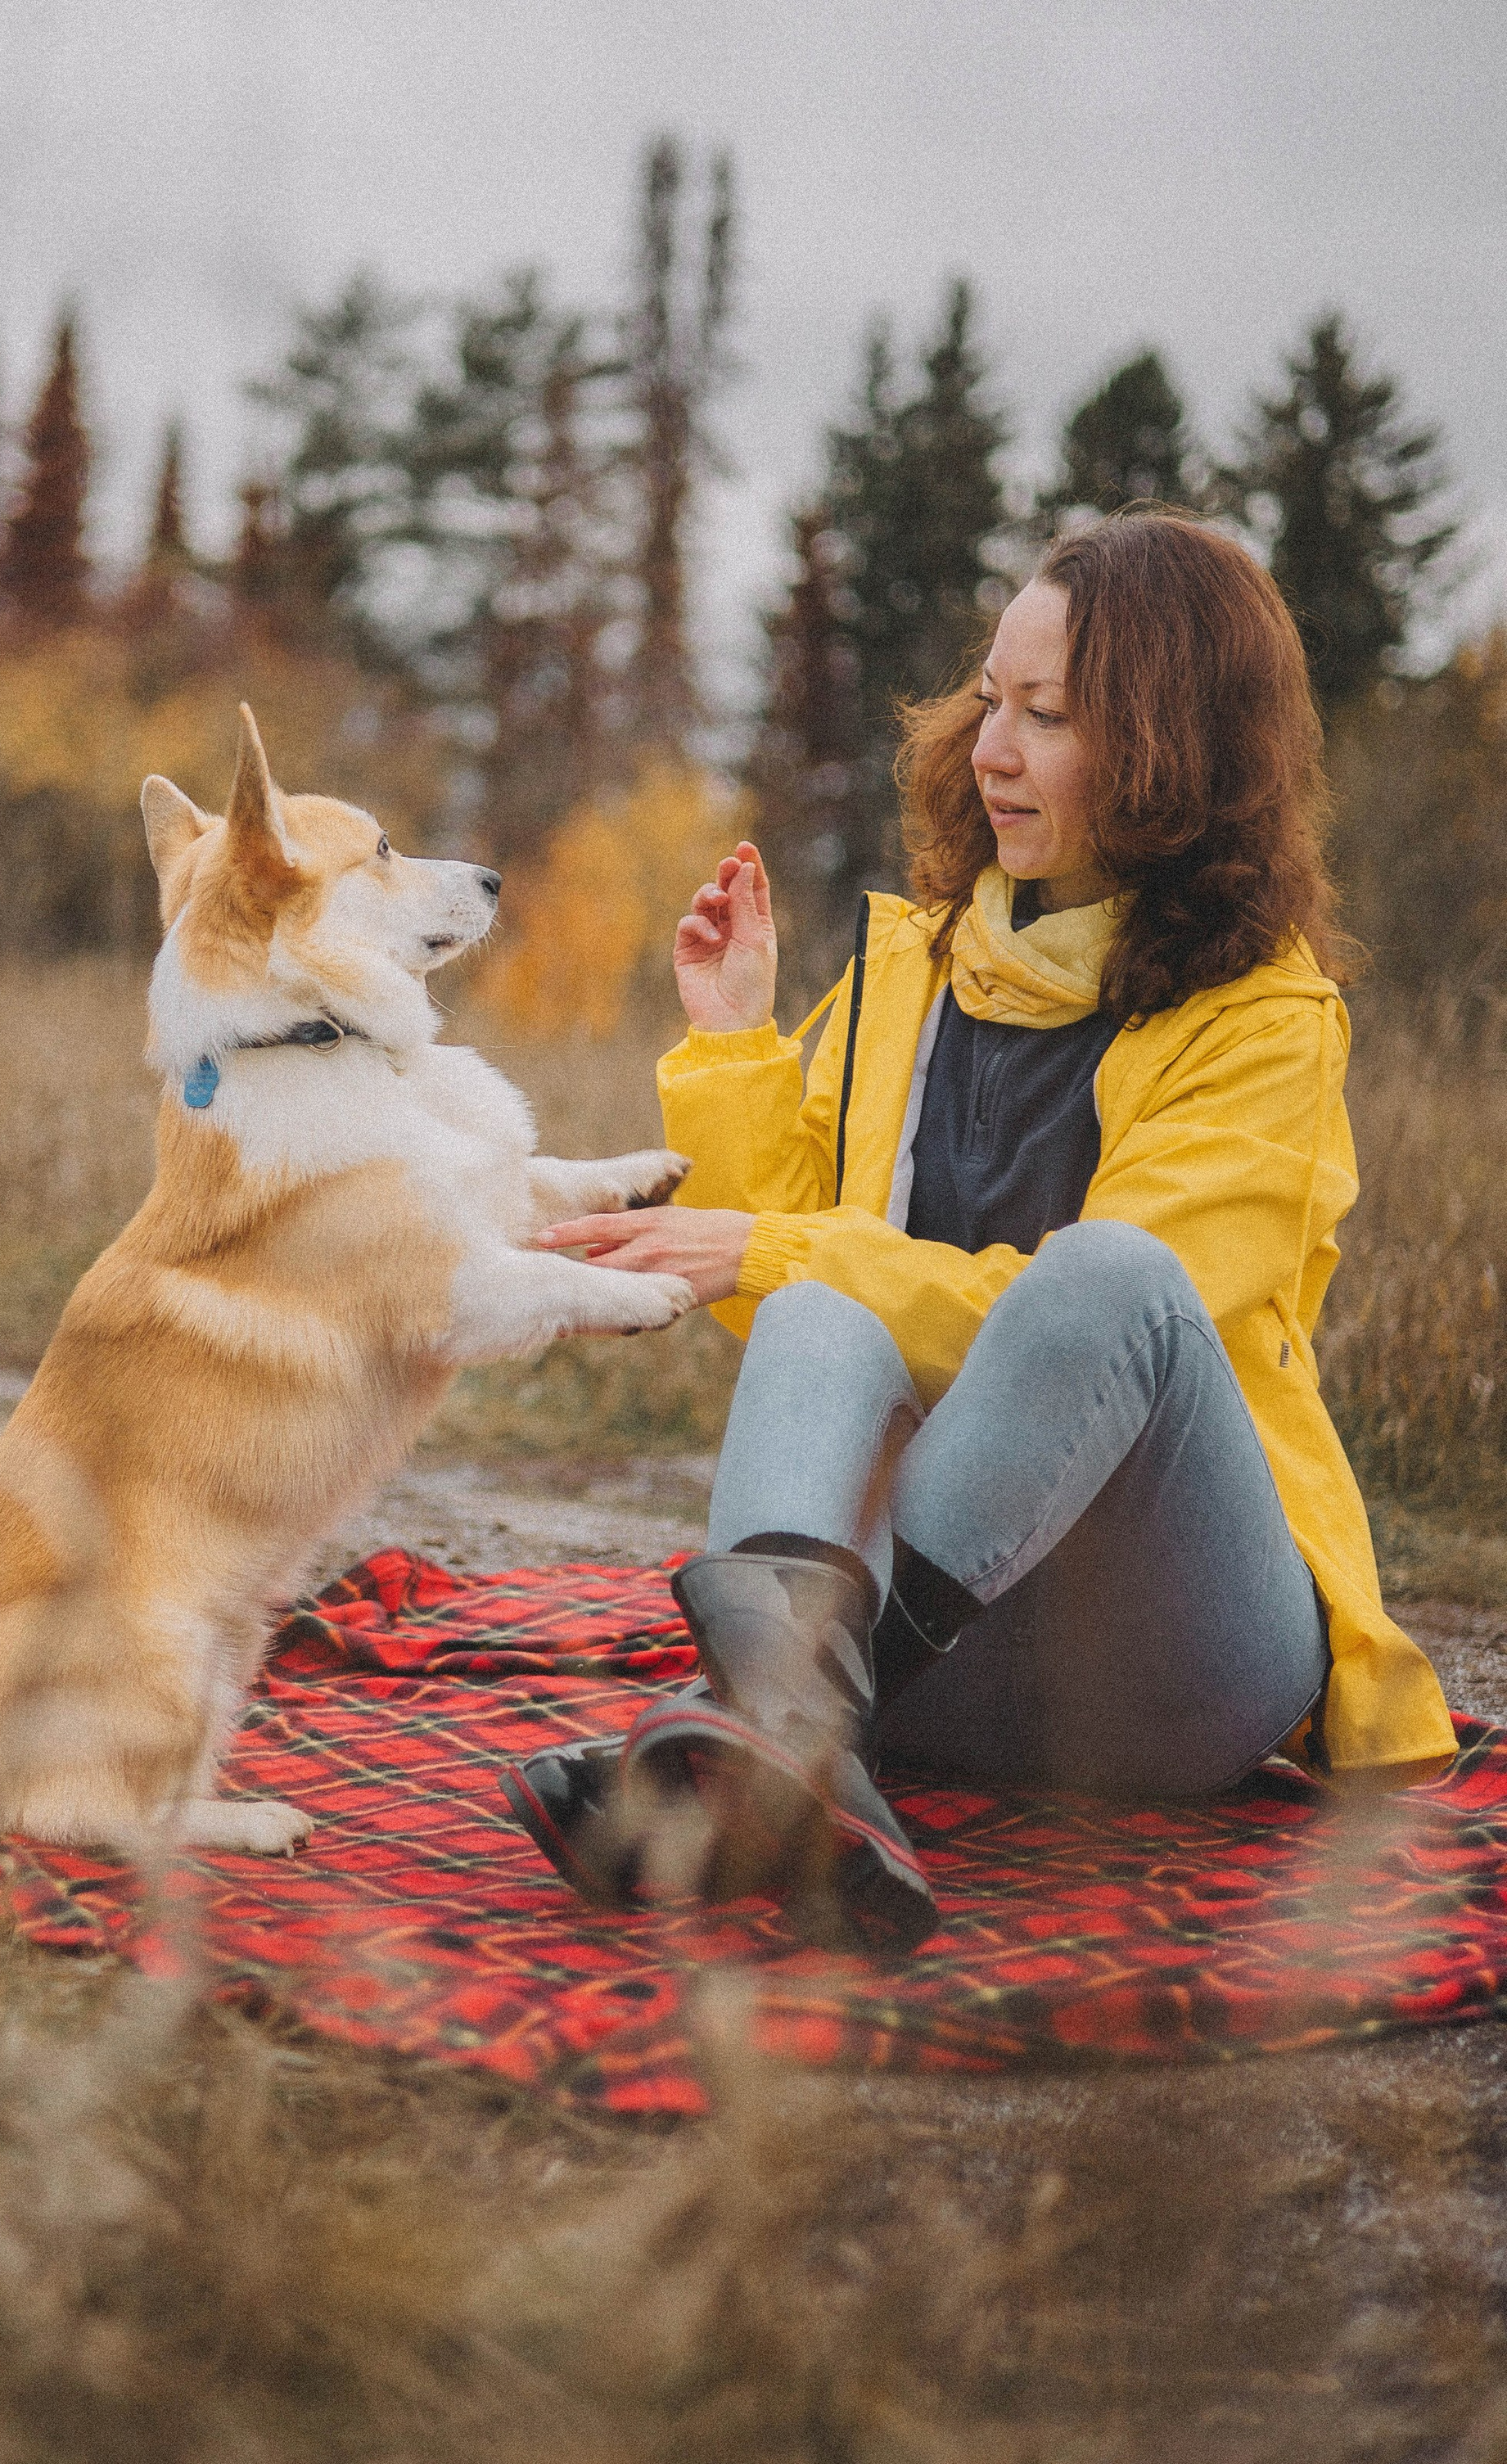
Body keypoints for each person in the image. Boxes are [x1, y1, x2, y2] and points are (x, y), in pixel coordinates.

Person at [500, 510, 1455, 1952]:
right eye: (989, 700)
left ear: (1167, 748)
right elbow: (792, 1304)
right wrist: (738, 1046)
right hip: (943, 1684)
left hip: (1171, 1669)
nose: (988, 748)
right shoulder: (921, 966)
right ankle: (791, 1734)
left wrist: (777, 1253)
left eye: (1047, 715)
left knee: (1110, 1275)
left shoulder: (1264, 1019)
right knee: (827, 1310)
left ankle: (756, 1727)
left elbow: (1135, 1318)